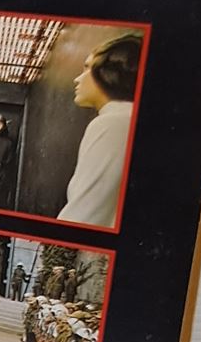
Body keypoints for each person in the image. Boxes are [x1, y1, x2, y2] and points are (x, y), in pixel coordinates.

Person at [59, 33, 142, 226]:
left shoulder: (111, 124)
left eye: (87, 67)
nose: (77, 79)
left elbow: (83, 215)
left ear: (106, 72)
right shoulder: (127, 118)